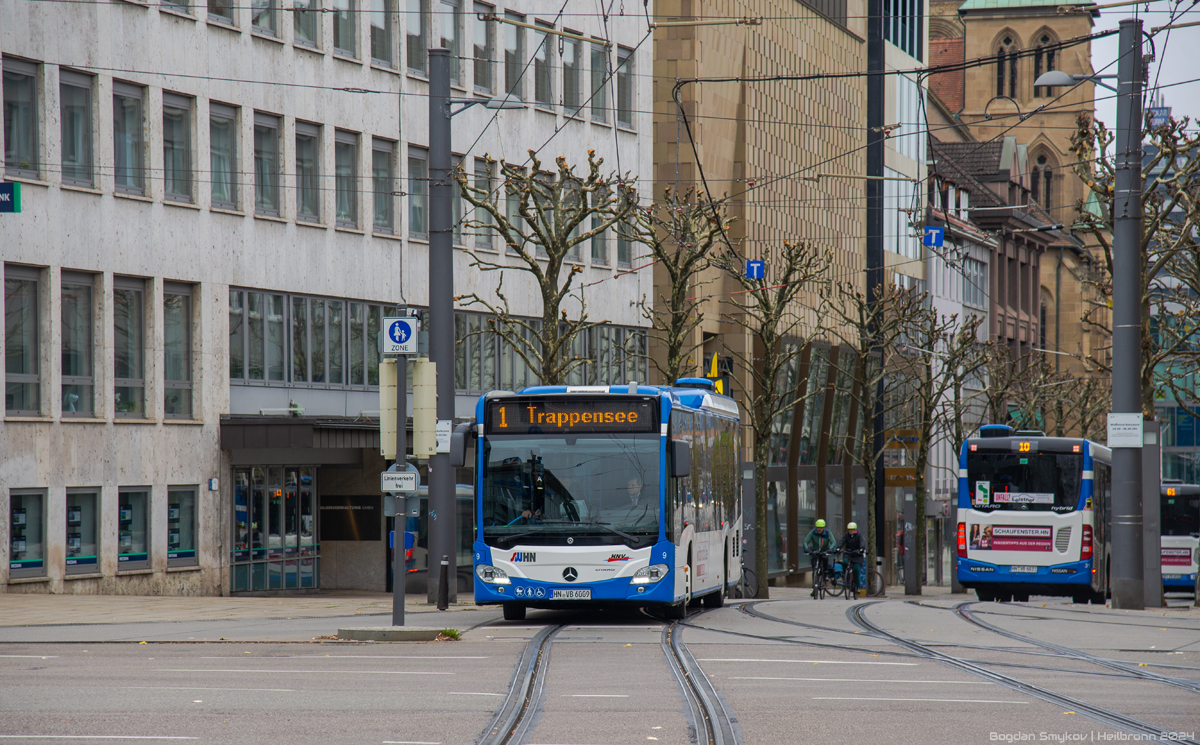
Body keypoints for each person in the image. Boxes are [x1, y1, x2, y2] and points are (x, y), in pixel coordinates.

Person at [803, 519, 837, 598]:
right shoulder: (812, 532)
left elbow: (833, 542)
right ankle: (814, 588)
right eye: (818, 527)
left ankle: (825, 574)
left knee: (825, 559)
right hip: (815, 551)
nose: (819, 529)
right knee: (814, 568)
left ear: (823, 527)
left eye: (821, 528)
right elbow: (805, 541)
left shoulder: (827, 533)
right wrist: (806, 548)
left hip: (824, 551)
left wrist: (830, 549)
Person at [837, 522, 867, 596]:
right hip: (849, 553)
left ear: (855, 530)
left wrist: (861, 549)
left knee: (856, 569)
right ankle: (845, 576)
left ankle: (857, 586)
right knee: (844, 562)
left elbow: (862, 543)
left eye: (852, 530)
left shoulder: (859, 536)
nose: (850, 531)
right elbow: (842, 542)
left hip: (857, 555)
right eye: (849, 530)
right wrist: (838, 548)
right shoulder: (846, 535)